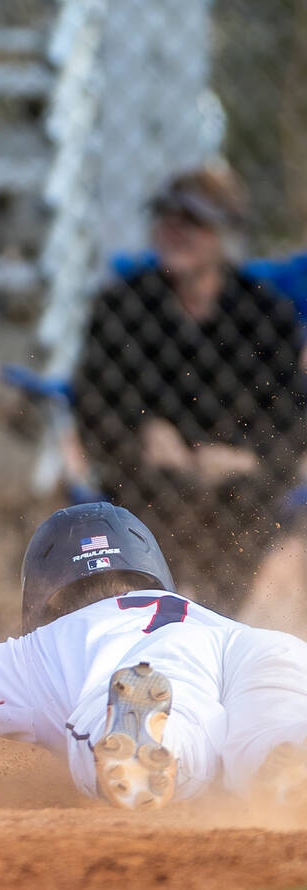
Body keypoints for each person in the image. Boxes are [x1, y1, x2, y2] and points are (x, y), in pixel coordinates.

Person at [0, 502, 307, 810]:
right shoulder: (186, 609)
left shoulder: (42, 647)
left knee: (170, 733)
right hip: (257, 648)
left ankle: (148, 739)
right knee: (272, 729)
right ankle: (292, 746)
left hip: (146, 671)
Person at [73, 166, 306, 613]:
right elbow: (93, 402)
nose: (174, 230)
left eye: (193, 221)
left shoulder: (265, 313)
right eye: (165, 216)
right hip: (146, 473)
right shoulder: (124, 306)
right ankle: (161, 612)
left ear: (224, 233)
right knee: (155, 493)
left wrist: (244, 456)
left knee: (244, 499)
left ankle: (217, 618)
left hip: (240, 477)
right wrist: (144, 434)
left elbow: (292, 417)